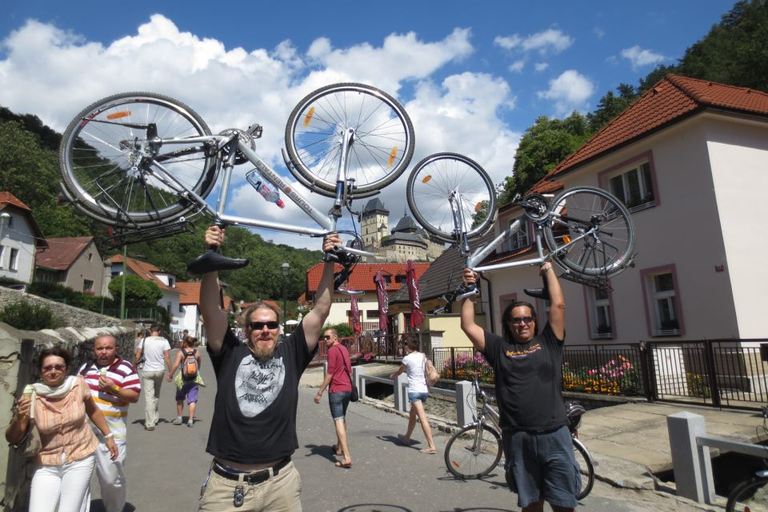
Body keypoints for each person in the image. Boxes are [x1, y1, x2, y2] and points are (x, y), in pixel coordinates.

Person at [197, 225, 339, 512]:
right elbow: (210, 310)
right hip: (227, 488)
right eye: (257, 325)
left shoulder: (292, 353)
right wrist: (211, 256)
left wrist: (330, 260)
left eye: (271, 324)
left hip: (280, 485)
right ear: (246, 329)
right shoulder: (229, 353)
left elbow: (320, 311)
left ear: (278, 329)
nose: (265, 330)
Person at [460, 263, 579, 512]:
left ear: (535, 322)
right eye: (516, 320)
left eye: (527, 318)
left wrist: (548, 269)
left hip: (555, 434)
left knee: (563, 505)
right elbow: (468, 325)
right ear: (508, 324)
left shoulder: (549, 342)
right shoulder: (499, 348)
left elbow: (558, 305)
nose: (522, 323)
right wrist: (471, 288)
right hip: (518, 438)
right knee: (531, 505)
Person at [5, 346, 119, 512]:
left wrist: (108, 436)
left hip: (80, 456)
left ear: (66, 369)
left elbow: (92, 410)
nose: (53, 371)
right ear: (40, 371)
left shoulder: (78, 385)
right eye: (48, 368)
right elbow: (13, 438)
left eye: (59, 367)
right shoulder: (32, 396)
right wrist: (18, 417)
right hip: (46, 462)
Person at [78, 335, 141, 512]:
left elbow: (134, 396)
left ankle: (115, 509)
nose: (104, 352)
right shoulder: (86, 368)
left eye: (108, 348)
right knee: (80, 479)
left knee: (111, 480)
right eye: (100, 348)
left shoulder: (126, 369)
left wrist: (113, 388)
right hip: (84, 434)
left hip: (113, 435)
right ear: (94, 350)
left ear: (116, 349)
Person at [388, 336, 437, 454]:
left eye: (405, 344)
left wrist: (392, 375)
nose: (404, 346)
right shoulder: (422, 356)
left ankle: (431, 445)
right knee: (412, 414)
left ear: (409, 346)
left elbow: (400, 371)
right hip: (424, 390)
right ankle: (407, 437)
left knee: (422, 417)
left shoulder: (407, 359)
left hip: (415, 391)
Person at [313, 329, 353, 468]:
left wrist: (320, 391)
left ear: (335, 337)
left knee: (338, 421)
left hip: (336, 389)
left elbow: (330, 373)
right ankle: (339, 447)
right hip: (347, 389)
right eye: (324, 337)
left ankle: (347, 457)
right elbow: (349, 369)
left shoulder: (332, 351)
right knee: (342, 418)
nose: (325, 339)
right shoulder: (344, 349)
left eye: (328, 337)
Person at [133, 324, 171, 431]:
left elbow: (138, 354)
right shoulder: (164, 341)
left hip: (147, 370)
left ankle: (150, 423)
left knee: (149, 396)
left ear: (150, 331)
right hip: (159, 370)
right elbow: (167, 357)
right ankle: (155, 417)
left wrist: (135, 367)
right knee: (156, 394)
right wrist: (171, 371)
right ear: (159, 331)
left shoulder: (144, 341)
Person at [167, 336, 202, 427]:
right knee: (192, 400)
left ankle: (179, 418)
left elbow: (175, 366)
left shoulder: (181, 353)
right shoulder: (197, 352)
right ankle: (190, 420)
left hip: (182, 379)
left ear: (185, 343)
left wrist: (170, 375)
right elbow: (199, 365)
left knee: (180, 399)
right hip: (194, 379)